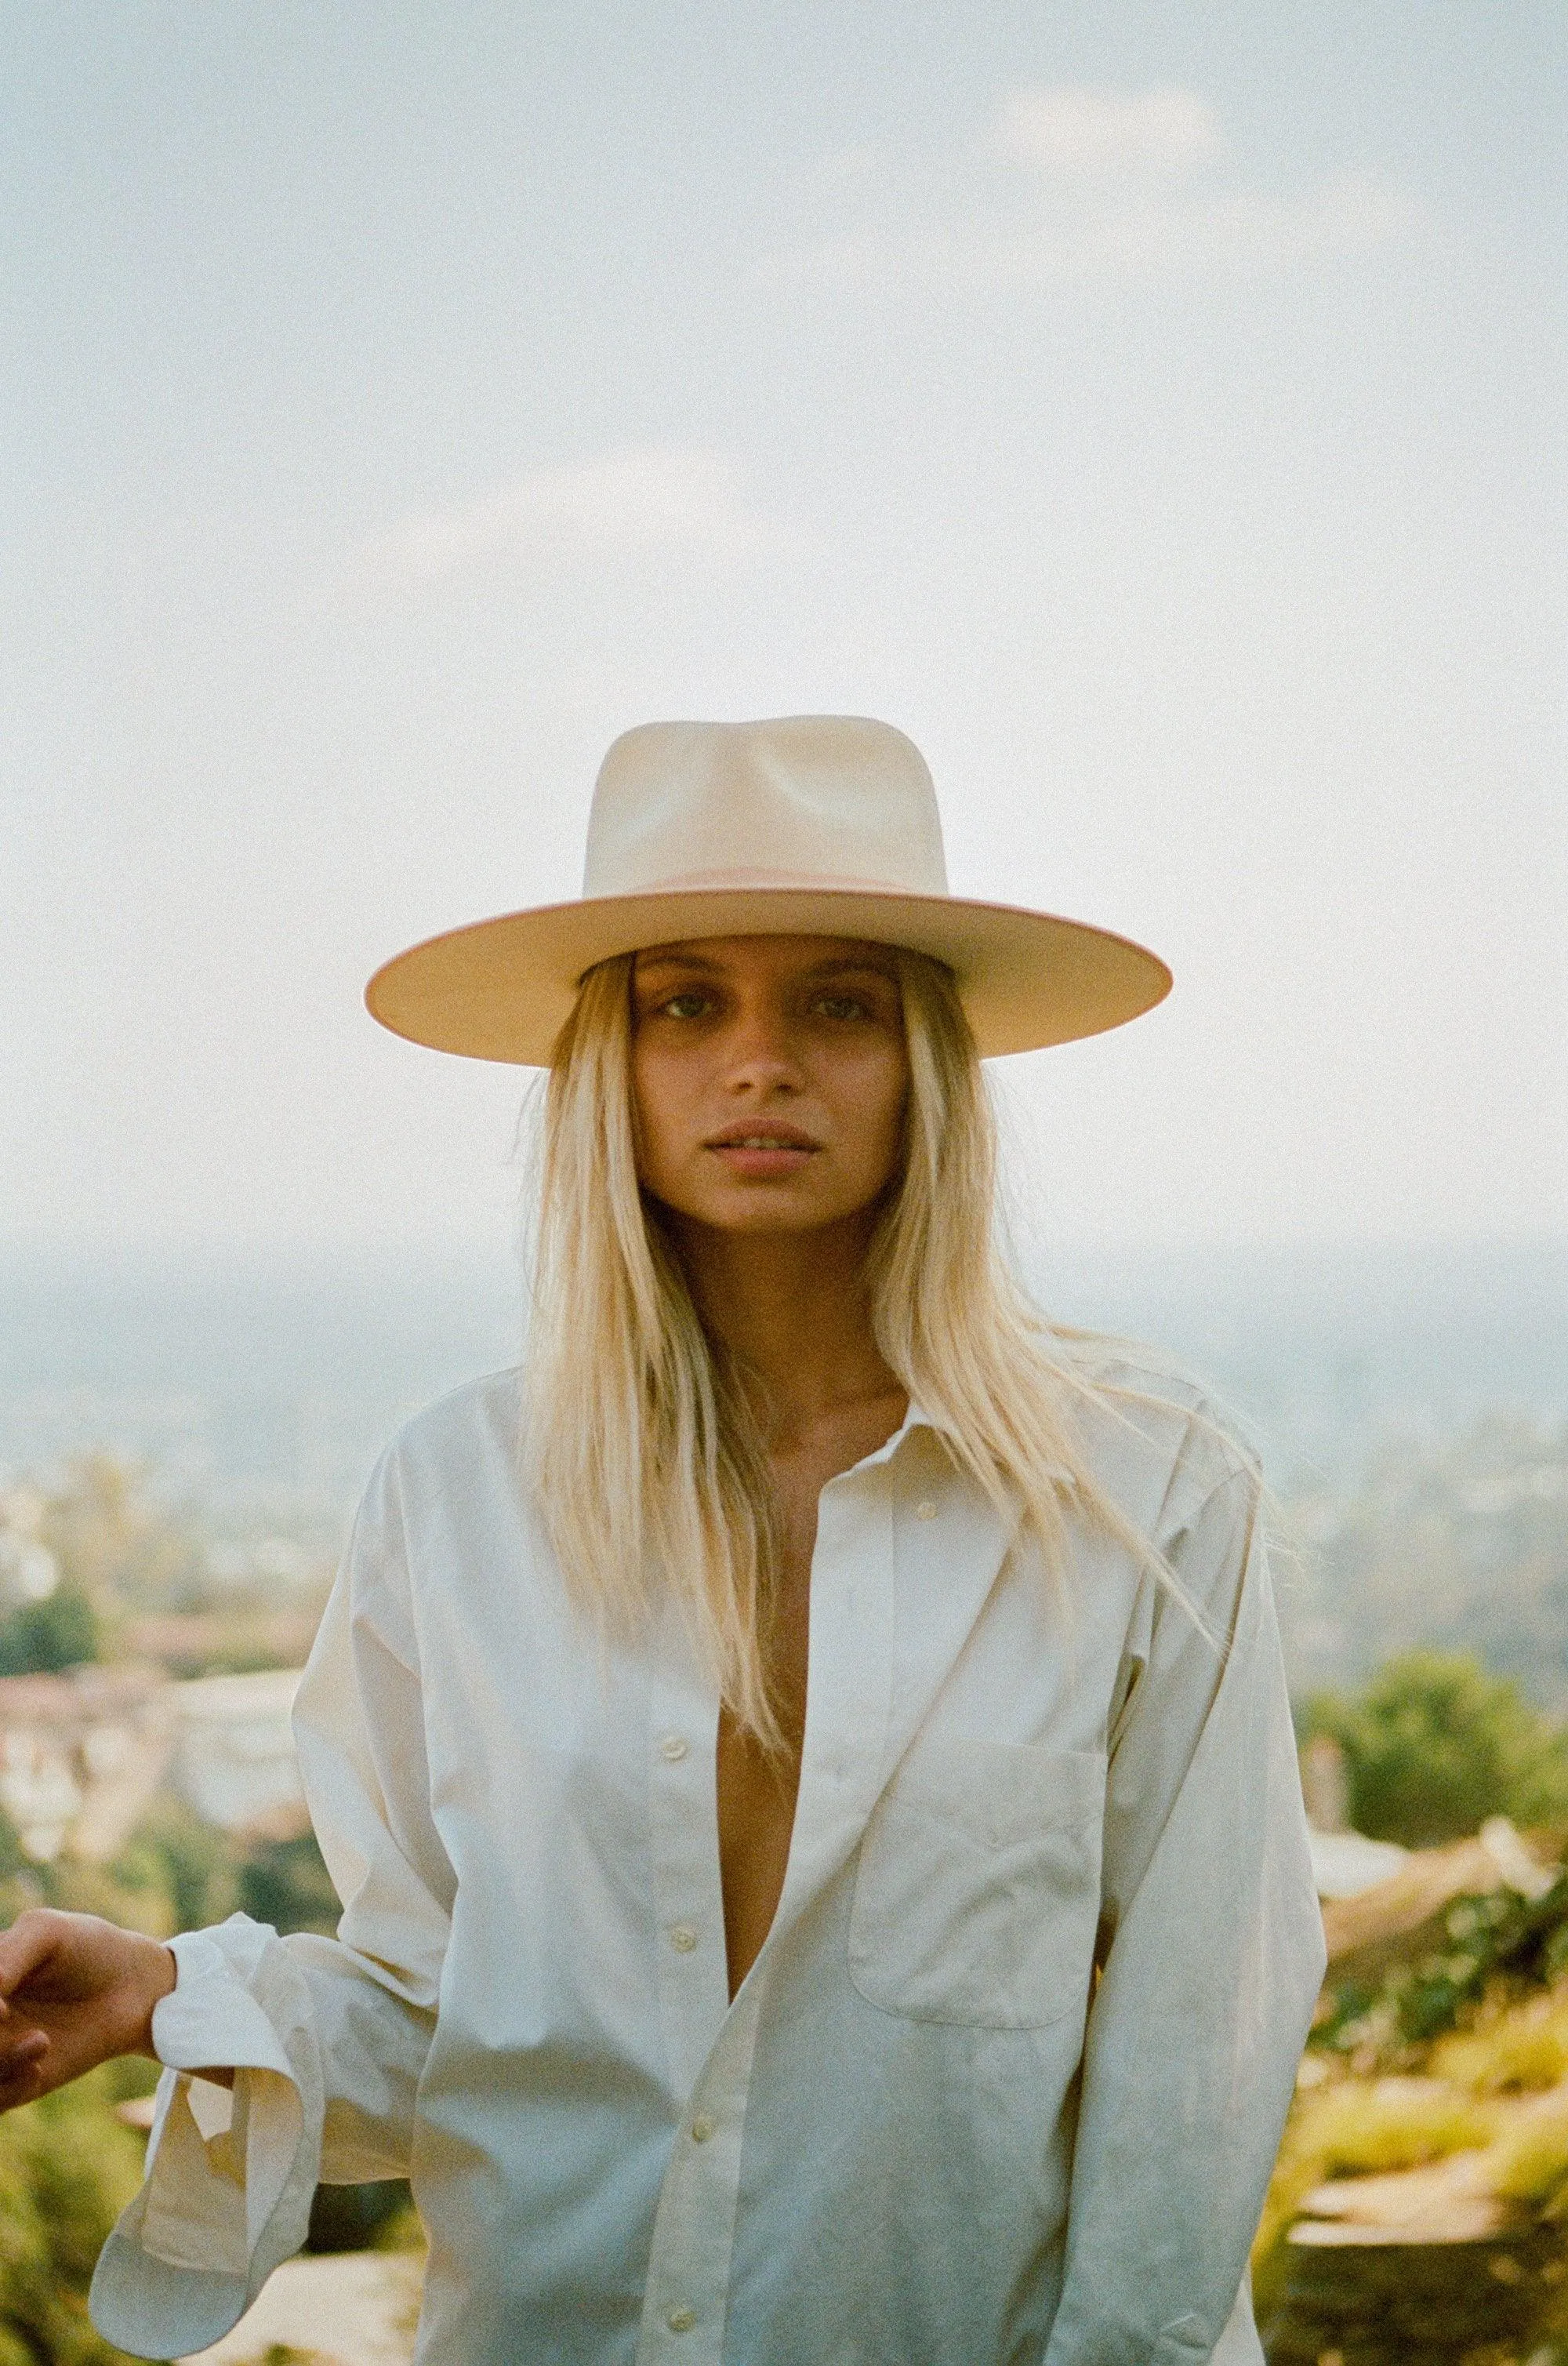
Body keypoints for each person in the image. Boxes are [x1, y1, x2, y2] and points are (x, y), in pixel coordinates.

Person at [0, 717, 1324, 2364]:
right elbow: (449, 2015)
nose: (756, 1063)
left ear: (925, 1056)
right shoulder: (454, 1495)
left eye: (836, 1001)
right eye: (684, 1001)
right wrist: (166, 1990)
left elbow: (1196, 2048)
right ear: (602, 1067)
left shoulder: (1148, 1490)